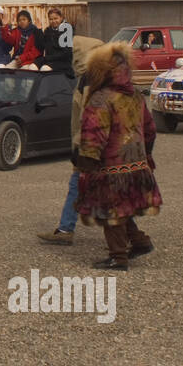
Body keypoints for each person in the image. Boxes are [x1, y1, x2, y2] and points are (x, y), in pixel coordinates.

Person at [74, 41, 161, 270]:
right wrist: (145, 154)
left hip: (111, 167)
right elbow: (150, 129)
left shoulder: (101, 99)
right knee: (124, 207)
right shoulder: (135, 96)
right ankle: (140, 242)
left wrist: (86, 161)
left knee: (111, 212)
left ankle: (118, 257)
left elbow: (94, 135)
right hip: (136, 163)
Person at [37, 35, 103, 246]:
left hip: (92, 147)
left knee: (107, 190)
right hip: (87, 145)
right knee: (80, 186)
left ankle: (129, 238)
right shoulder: (88, 79)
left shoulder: (92, 83)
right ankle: (65, 228)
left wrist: (82, 147)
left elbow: (89, 118)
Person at [39, 8, 74, 74]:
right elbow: (42, 45)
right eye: (51, 19)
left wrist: (48, 58)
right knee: (33, 66)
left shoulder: (67, 30)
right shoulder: (47, 31)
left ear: (61, 18)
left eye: (56, 18)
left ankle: (47, 84)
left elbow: (66, 53)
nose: (53, 21)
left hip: (63, 62)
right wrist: (39, 30)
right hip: (50, 60)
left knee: (44, 68)